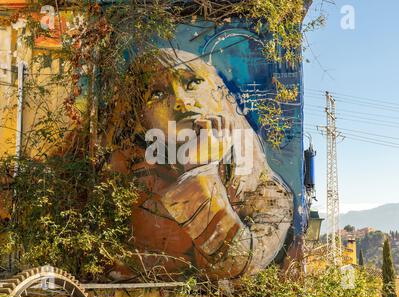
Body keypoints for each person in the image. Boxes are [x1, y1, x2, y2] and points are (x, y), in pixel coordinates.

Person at [104, 49, 294, 280]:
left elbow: (238, 266)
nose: (182, 102)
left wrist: (199, 175)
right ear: (140, 119)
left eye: (193, 82)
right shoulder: (117, 185)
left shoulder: (268, 192)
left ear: (220, 96)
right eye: (157, 93)